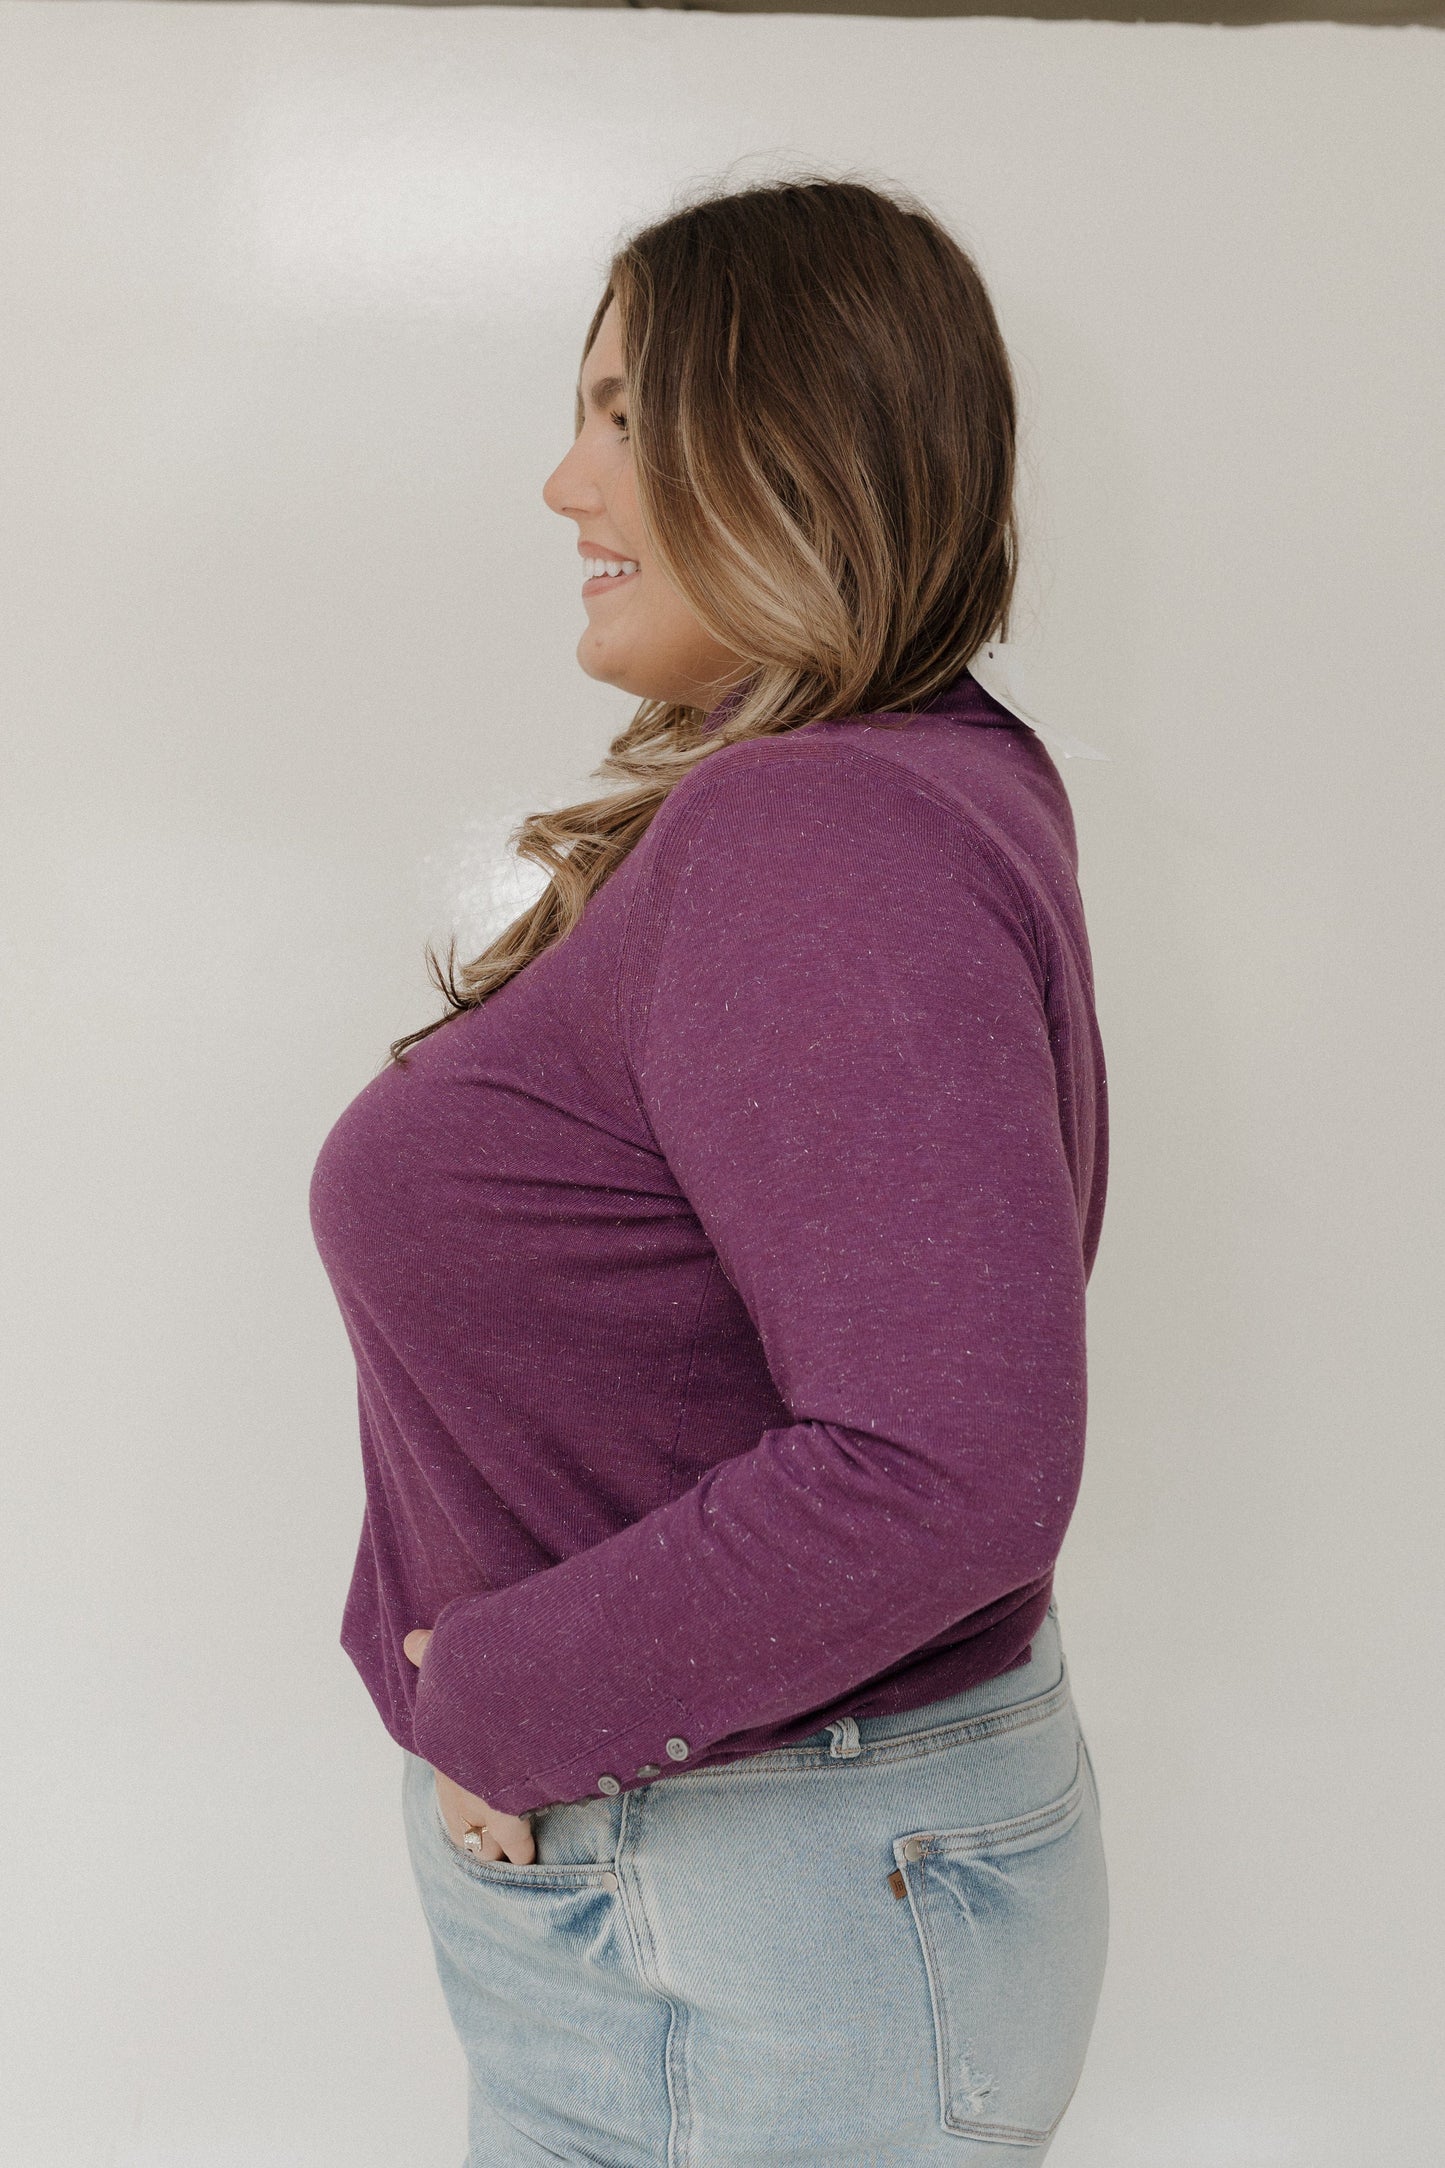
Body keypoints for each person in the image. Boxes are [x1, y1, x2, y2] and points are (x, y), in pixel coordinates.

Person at [309, 174, 1110, 2167]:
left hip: (760, 1891)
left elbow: (950, 1460)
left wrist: (500, 1690)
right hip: (737, 1871)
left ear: (800, 434)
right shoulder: (893, 790)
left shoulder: (828, 833)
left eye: (624, 412)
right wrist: (448, 1670)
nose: (564, 480)